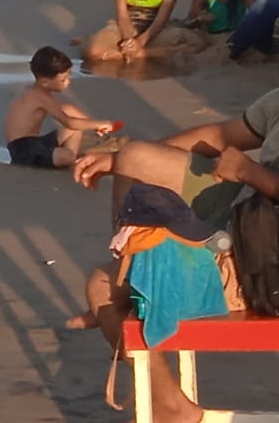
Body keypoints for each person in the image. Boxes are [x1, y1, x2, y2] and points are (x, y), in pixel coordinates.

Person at [67, 87, 279, 422]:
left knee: (102, 288)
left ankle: (172, 408)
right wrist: (118, 161)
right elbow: (220, 136)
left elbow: (245, 169)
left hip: (262, 271)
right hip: (246, 228)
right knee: (135, 156)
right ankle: (132, 281)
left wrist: (250, 172)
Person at [4, 47, 115, 169]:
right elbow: (68, 121)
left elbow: (66, 109)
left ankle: (67, 156)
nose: (68, 82)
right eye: (63, 80)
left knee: (76, 129)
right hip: (22, 149)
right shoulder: (40, 96)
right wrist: (100, 124)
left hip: (35, 142)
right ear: (45, 82)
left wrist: (93, 125)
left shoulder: (35, 90)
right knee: (67, 152)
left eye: (68, 77)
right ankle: (68, 157)